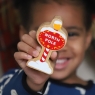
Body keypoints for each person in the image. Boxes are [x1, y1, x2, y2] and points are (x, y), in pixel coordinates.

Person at [0, 0, 95, 95]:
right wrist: (31, 82)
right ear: (25, 35)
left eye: (71, 34)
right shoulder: (12, 81)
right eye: (46, 33)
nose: (58, 48)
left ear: (87, 39)